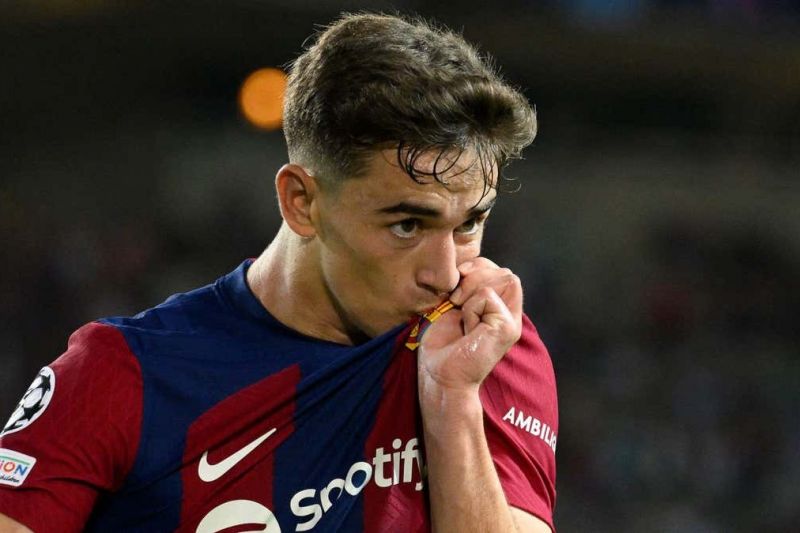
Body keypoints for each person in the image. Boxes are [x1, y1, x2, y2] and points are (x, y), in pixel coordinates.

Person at [0, 13, 557, 533]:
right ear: (301, 201)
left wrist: (453, 401)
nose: (445, 273)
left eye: (469, 223)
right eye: (408, 225)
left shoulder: (484, 345)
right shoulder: (122, 376)